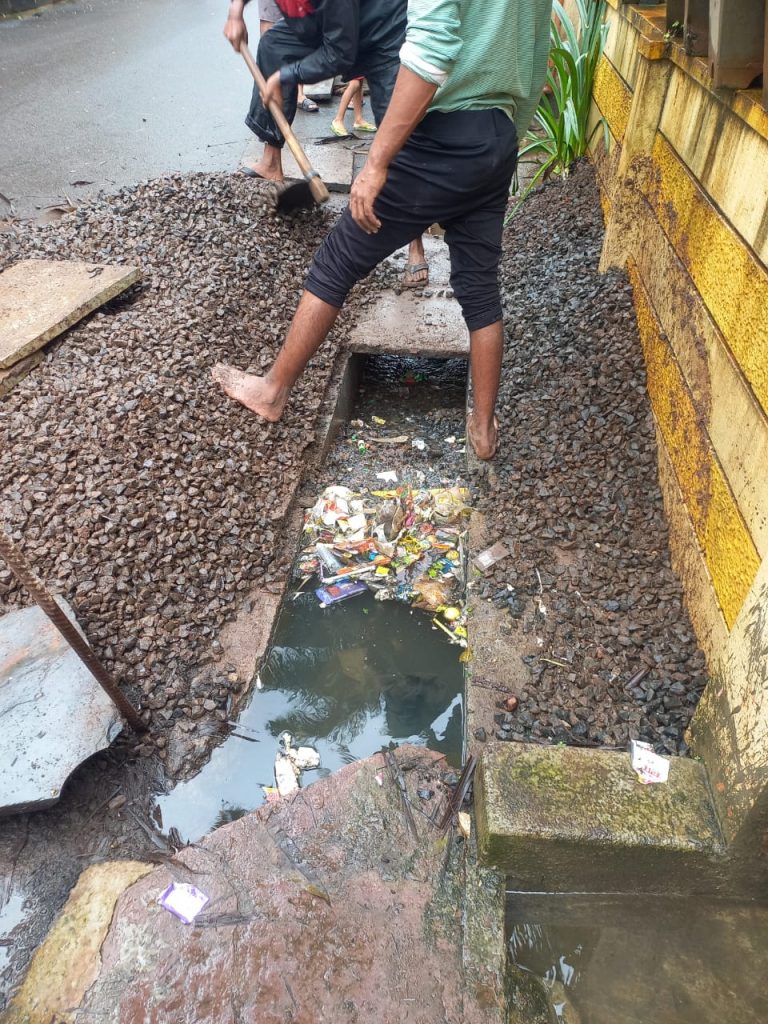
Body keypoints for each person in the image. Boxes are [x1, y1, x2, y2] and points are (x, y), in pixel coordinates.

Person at [215, 0, 552, 460]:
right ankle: (483, 430)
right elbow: (534, 57)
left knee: (336, 261)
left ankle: (271, 392)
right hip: (496, 135)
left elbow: (429, 55)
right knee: (479, 287)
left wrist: (376, 163)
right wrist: (504, 140)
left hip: (439, 132)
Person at [223, 0, 427, 286]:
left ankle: (415, 243)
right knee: (273, 46)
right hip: (325, 24)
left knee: (396, 137)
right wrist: (235, 12)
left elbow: (339, 55)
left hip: (381, 34)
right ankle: (271, 163)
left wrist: (286, 76)